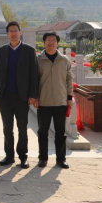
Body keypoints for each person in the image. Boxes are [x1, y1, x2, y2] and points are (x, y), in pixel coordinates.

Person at [0, 21, 39, 169]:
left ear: (20, 32)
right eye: (10, 31)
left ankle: (23, 156)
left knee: (22, 128)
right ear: (7, 34)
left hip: (22, 96)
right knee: (7, 127)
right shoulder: (2, 50)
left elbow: (34, 74)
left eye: (15, 30)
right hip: (5, 96)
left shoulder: (28, 50)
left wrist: (33, 95)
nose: (13, 33)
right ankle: (9, 156)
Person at [34, 32, 73, 170]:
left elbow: (69, 79)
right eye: (48, 40)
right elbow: (34, 80)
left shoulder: (64, 60)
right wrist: (35, 97)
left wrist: (69, 97)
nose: (51, 42)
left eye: (53, 40)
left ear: (57, 43)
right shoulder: (38, 60)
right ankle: (42, 158)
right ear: (44, 42)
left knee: (60, 133)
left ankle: (61, 159)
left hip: (60, 102)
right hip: (43, 101)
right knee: (42, 132)